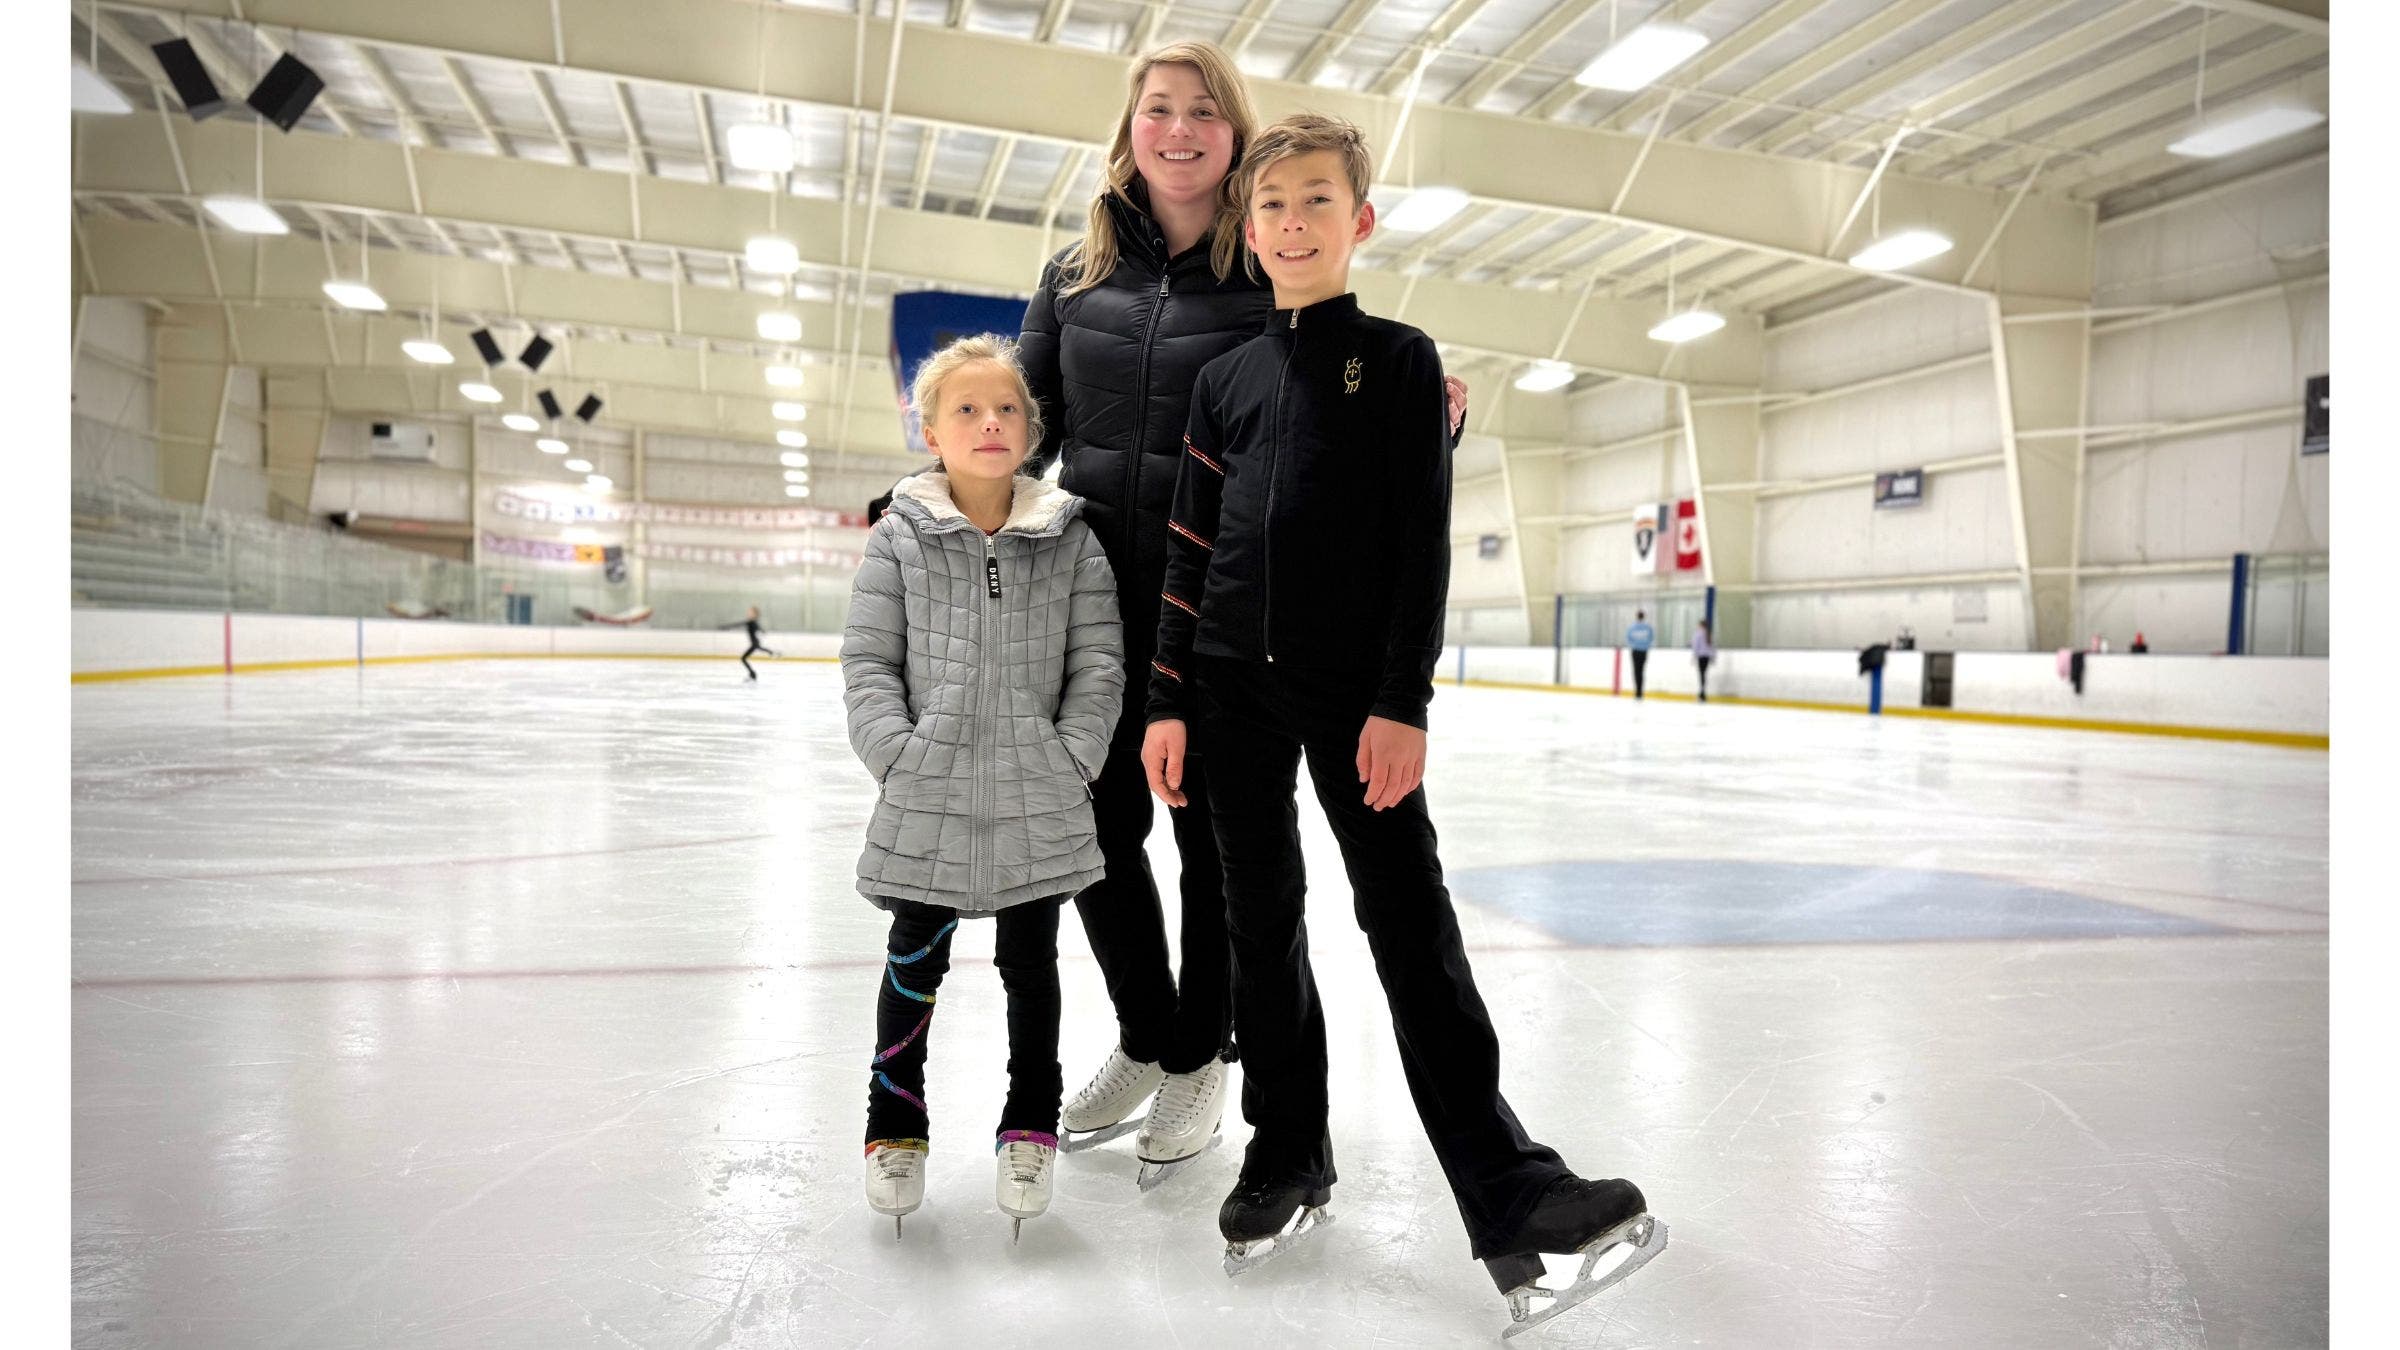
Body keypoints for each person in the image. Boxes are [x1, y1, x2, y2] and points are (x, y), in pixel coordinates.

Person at [1142, 114, 1663, 1333]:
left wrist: (1400, 701)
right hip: (1227, 686)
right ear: (1248, 228)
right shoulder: (1224, 383)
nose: (1292, 224)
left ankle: (1510, 1189)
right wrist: (1168, 697)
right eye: (1272, 206)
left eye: (1316, 201)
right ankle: (1286, 1152)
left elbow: (1421, 544)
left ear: (1359, 220)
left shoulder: (1402, 361)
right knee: (1257, 925)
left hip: (1351, 691)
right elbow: (1188, 551)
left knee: (1409, 927)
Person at [1017, 39, 1472, 1181]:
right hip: (1087, 595)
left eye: (1204, 112)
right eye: (1158, 109)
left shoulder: (1264, 271)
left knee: (1215, 848)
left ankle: (1207, 1051)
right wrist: (940, 501)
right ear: (1130, 130)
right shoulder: (1072, 276)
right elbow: (1025, 427)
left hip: (1217, 605)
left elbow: (1327, 404)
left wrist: (1434, 417)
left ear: (1234, 136)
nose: (1179, 130)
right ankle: (1152, 1032)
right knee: (1090, 827)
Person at [840, 334, 1125, 1241]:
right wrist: (900, 757)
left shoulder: (1071, 538)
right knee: (913, 960)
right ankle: (894, 1128)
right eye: (966, 409)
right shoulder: (898, 536)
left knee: (1031, 968)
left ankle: (1029, 1126)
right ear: (932, 431)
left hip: (1037, 792)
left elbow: (1099, 664)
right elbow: (868, 663)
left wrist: (1070, 759)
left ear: (1031, 431)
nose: (990, 422)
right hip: (929, 789)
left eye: (1007, 409)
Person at [721, 605, 775, 681]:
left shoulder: (751, 622)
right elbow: (760, 630)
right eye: (749, 612)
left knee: (743, 658)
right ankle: (771, 653)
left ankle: (753, 674)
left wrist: (726, 627)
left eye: (751, 612)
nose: (749, 613)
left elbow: (738, 624)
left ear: (755, 614)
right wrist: (762, 631)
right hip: (755, 643)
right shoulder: (754, 622)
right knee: (749, 655)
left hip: (754, 643)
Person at [1625, 610, 1655, 699]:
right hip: (1644, 651)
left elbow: (1628, 639)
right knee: (1641, 671)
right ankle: (1640, 691)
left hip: (1635, 651)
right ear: (1643, 617)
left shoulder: (1632, 627)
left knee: (1636, 671)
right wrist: (1646, 645)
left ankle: (1637, 692)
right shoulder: (1648, 627)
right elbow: (1651, 638)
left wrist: (1634, 645)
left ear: (1637, 617)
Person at [1692, 619, 1715, 702]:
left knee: (1702, 675)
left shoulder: (1698, 634)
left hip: (1701, 656)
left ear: (1701, 625)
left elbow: (1695, 645)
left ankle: (1702, 694)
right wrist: (1713, 657)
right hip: (1707, 657)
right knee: (1703, 674)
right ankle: (1702, 693)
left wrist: (1694, 656)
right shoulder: (1708, 634)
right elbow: (1712, 647)